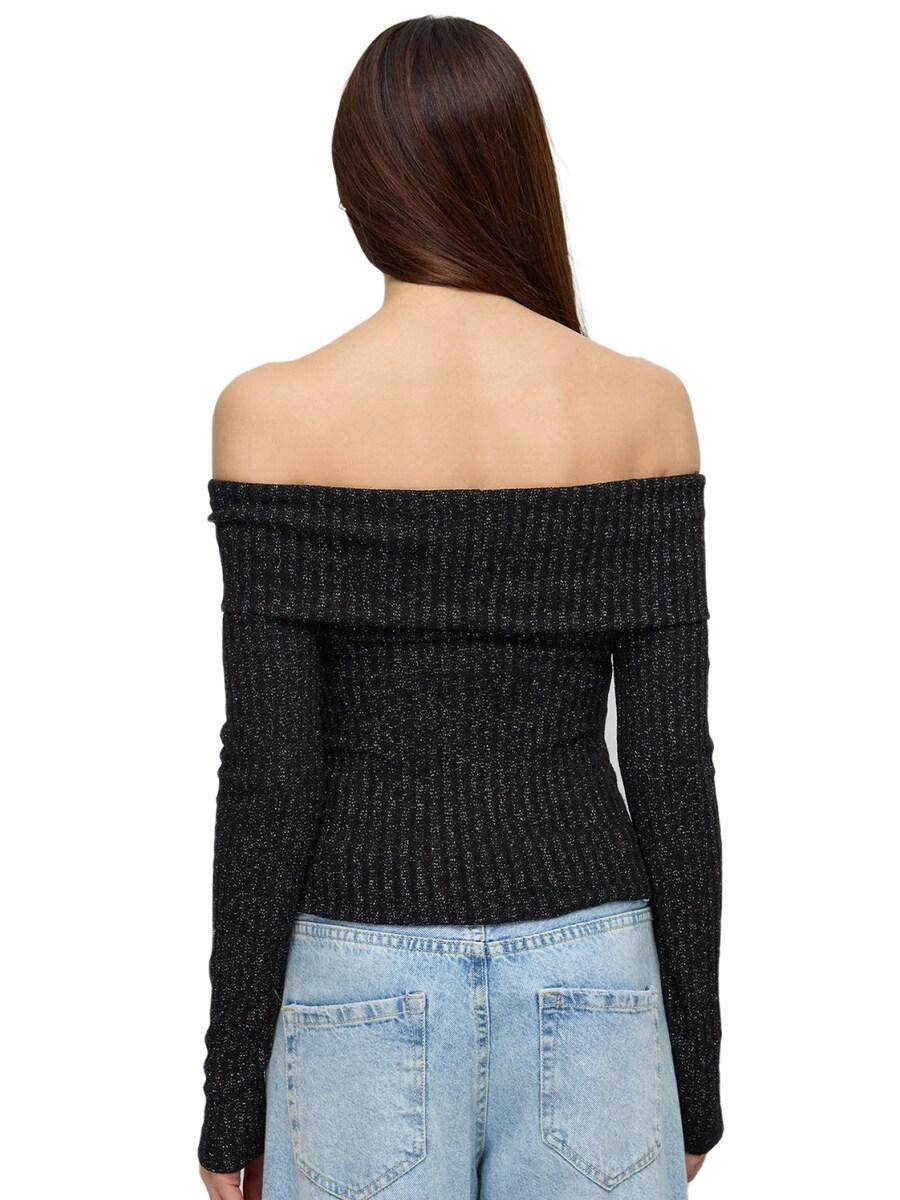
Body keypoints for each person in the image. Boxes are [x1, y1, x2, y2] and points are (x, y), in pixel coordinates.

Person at [197, 15, 724, 1200]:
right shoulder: (646, 407)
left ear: (358, 183)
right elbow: (671, 769)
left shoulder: (273, 414)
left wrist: (231, 1101)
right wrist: (693, 1075)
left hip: (355, 983)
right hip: (596, 976)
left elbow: (271, 775)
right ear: (519, 171)